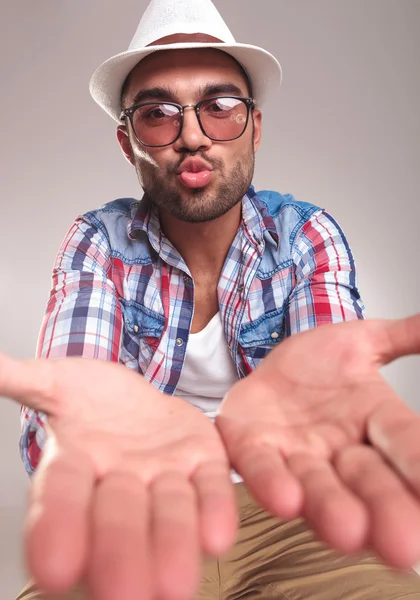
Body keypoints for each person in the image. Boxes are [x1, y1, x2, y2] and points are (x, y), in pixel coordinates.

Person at [3, 0, 420, 598]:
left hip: (293, 517)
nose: (193, 136)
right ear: (129, 144)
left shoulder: (305, 237)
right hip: (141, 507)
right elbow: (71, 410)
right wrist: (87, 440)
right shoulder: (98, 241)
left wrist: (335, 436)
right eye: (158, 114)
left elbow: (332, 408)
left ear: (254, 126)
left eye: (220, 108)